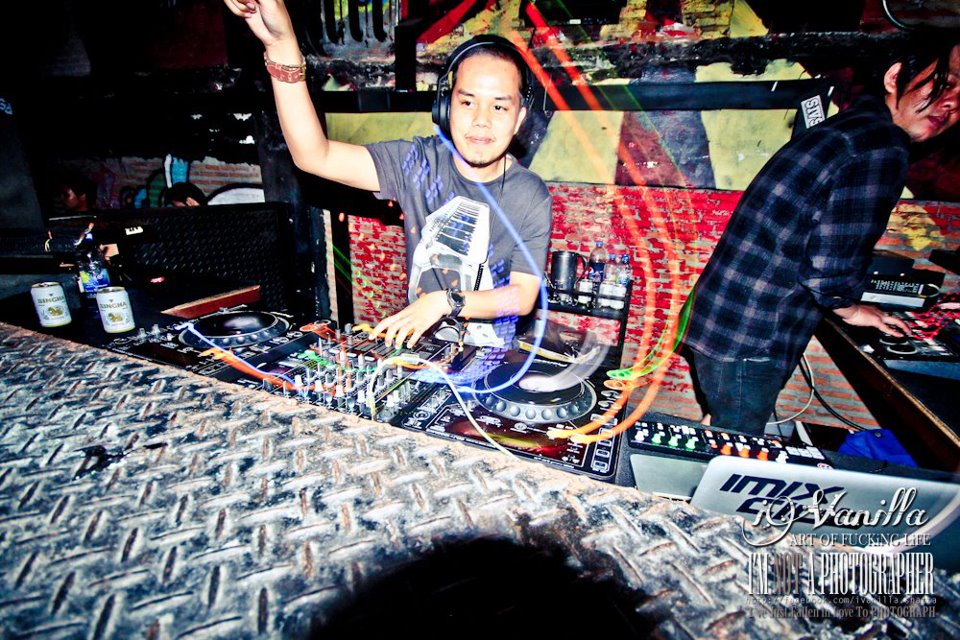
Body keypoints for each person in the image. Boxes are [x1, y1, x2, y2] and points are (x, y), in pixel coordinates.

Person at [224, 0, 552, 349]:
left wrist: (445, 301)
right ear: (445, 108)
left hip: (493, 360)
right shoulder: (418, 163)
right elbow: (314, 155)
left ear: (518, 119)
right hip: (423, 352)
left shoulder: (529, 194)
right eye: (467, 102)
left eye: (499, 106)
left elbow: (522, 296)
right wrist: (282, 46)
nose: (481, 120)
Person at [683, 30, 960, 436]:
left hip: (725, 323)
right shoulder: (880, 145)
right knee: (737, 447)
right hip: (753, 337)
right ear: (895, 77)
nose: (952, 103)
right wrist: (853, 310)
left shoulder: (849, 130)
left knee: (720, 429)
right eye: (945, 84)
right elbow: (829, 269)